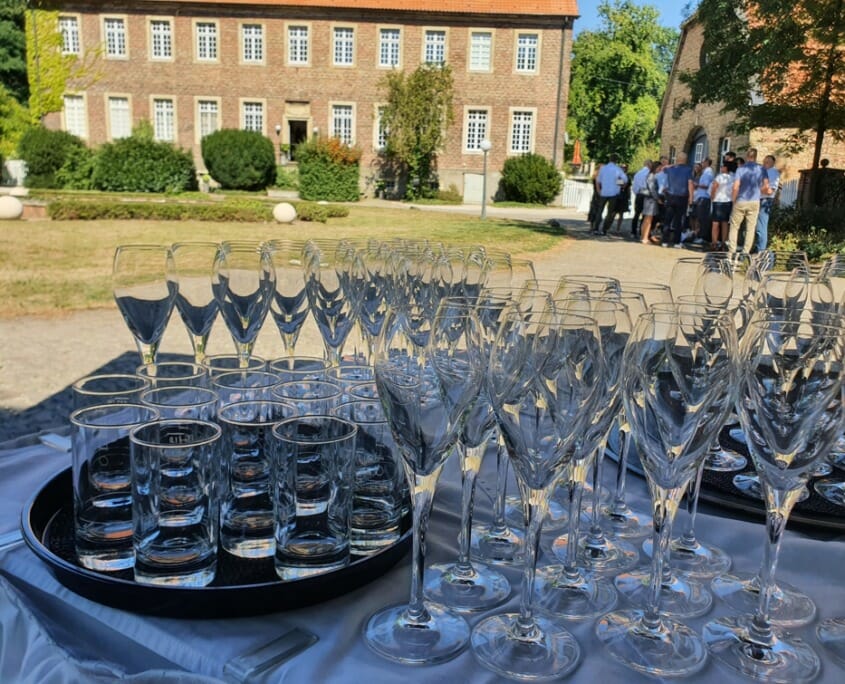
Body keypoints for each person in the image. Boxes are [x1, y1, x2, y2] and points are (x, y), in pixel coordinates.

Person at [727, 148, 769, 253]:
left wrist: (733, 200)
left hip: (741, 200)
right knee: (750, 229)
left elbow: (736, 186)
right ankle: (745, 253)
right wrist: (759, 190)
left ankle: (731, 252)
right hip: (754, 201)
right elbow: (766, 187)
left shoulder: (741, 169)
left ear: (747, 156)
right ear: (756, 156)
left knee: (734, 227)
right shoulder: (762, 169)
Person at [661, 151, 695, 248]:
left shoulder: (671, 169)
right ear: (686, 160)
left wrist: (674, 164)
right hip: (682, 197)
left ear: (677, 159)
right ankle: (676, 242)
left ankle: (665, 241)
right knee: (679, 220)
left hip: (671, 196)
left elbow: (663, 168)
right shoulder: (688, 170)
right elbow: (690, 184)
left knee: (668, 219)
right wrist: (691, 198)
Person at [591, 153, 628, 235]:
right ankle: (604, 229)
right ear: (616, 160)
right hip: (614, 193)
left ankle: (596, 228)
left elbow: (598, 180)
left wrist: (599, 190)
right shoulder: (618, 169)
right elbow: (625, 181)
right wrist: (618, 183)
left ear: (609, 159)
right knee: (610, 212)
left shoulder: (603, 169)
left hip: (604, 192)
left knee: (600, 211)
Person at [754, 154, 780, 252]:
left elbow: (770, 190)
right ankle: (758, 247)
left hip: (765, 200)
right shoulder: (764, 171)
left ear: (772, 163)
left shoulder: (772, 172)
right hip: (760, 199)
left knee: (761, 225)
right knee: (758, 225)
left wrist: (754, 190)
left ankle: (761, 249)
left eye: (767, 162)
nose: (765, 163)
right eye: (764, 161)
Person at [709, 158, 734, 250]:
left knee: (715, 223)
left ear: (726, 168)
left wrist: (712, 196)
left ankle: (714, 242)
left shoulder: (720, 177)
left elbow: (714, 187)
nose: (721, 167)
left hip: (718, 200)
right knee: (724, 223)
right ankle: (723, 242)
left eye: (723, 166)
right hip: (728, 201)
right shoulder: (732, 178)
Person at [639, 160, 663, 245]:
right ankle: (644, 238)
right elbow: (652, 189)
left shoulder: (651, 176)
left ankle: (643, 237)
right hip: (650, 201)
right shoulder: (652, 176)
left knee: (647, 219)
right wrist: (658, 199)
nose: (660, 170)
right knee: (648, 220)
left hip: (649, 200)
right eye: (659, 168)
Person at [692, 157, 713, 245]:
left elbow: (706, 185)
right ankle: (700, 235)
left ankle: (703, 237)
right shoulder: (706, 172)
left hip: (704, 197)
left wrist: (697, 185)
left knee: (703, 218)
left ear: (707, 162)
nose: (702, 163)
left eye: (703, 162)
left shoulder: (708, 173)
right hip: (701, 197)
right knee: (700, 217)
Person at [629, 160, 652, 239]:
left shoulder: (637, 173)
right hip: (647, 194)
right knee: (645, 214)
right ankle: (641, 231)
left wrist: (637, 193)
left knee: (637, 213)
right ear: (649, 165)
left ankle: (633, 231)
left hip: (639, 194)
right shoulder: (650, 173)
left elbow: (634, 186)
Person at [610, 164, 631, 233]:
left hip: (624, 196)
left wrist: (629, 196)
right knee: (613, 212)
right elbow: (620, 184)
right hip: (616, 196)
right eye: (622, 167)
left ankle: (618, 229)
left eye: (624, 167)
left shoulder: (627, 176)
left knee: (621, 213)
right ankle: (608, 226)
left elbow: (628, 187)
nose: (623, 168)